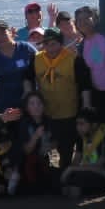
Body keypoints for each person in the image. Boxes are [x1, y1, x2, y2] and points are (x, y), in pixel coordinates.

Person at [33, 28, 85, 168]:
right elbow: (27, 77)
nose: (51, 48)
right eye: (47, 44)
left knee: (66, 149)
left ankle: (64, 177)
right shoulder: (36, 59)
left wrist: (85, 106)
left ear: (61, 44)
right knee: (44, 148)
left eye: (54, 44)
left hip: (68, 113)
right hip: (47, 114)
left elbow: (84, 85)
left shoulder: (73, 59)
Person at [59, 108, 105, 198]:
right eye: (77, 124)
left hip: (99, 175)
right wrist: (69, 170)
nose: (78, 127)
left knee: (74, 189)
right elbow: (76, 161)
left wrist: (73, 169)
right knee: (63, 184)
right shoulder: (81, 137)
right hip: (83, 171)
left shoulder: (104, 138)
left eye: (82, 124)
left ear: (94, 125)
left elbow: (100, 168)